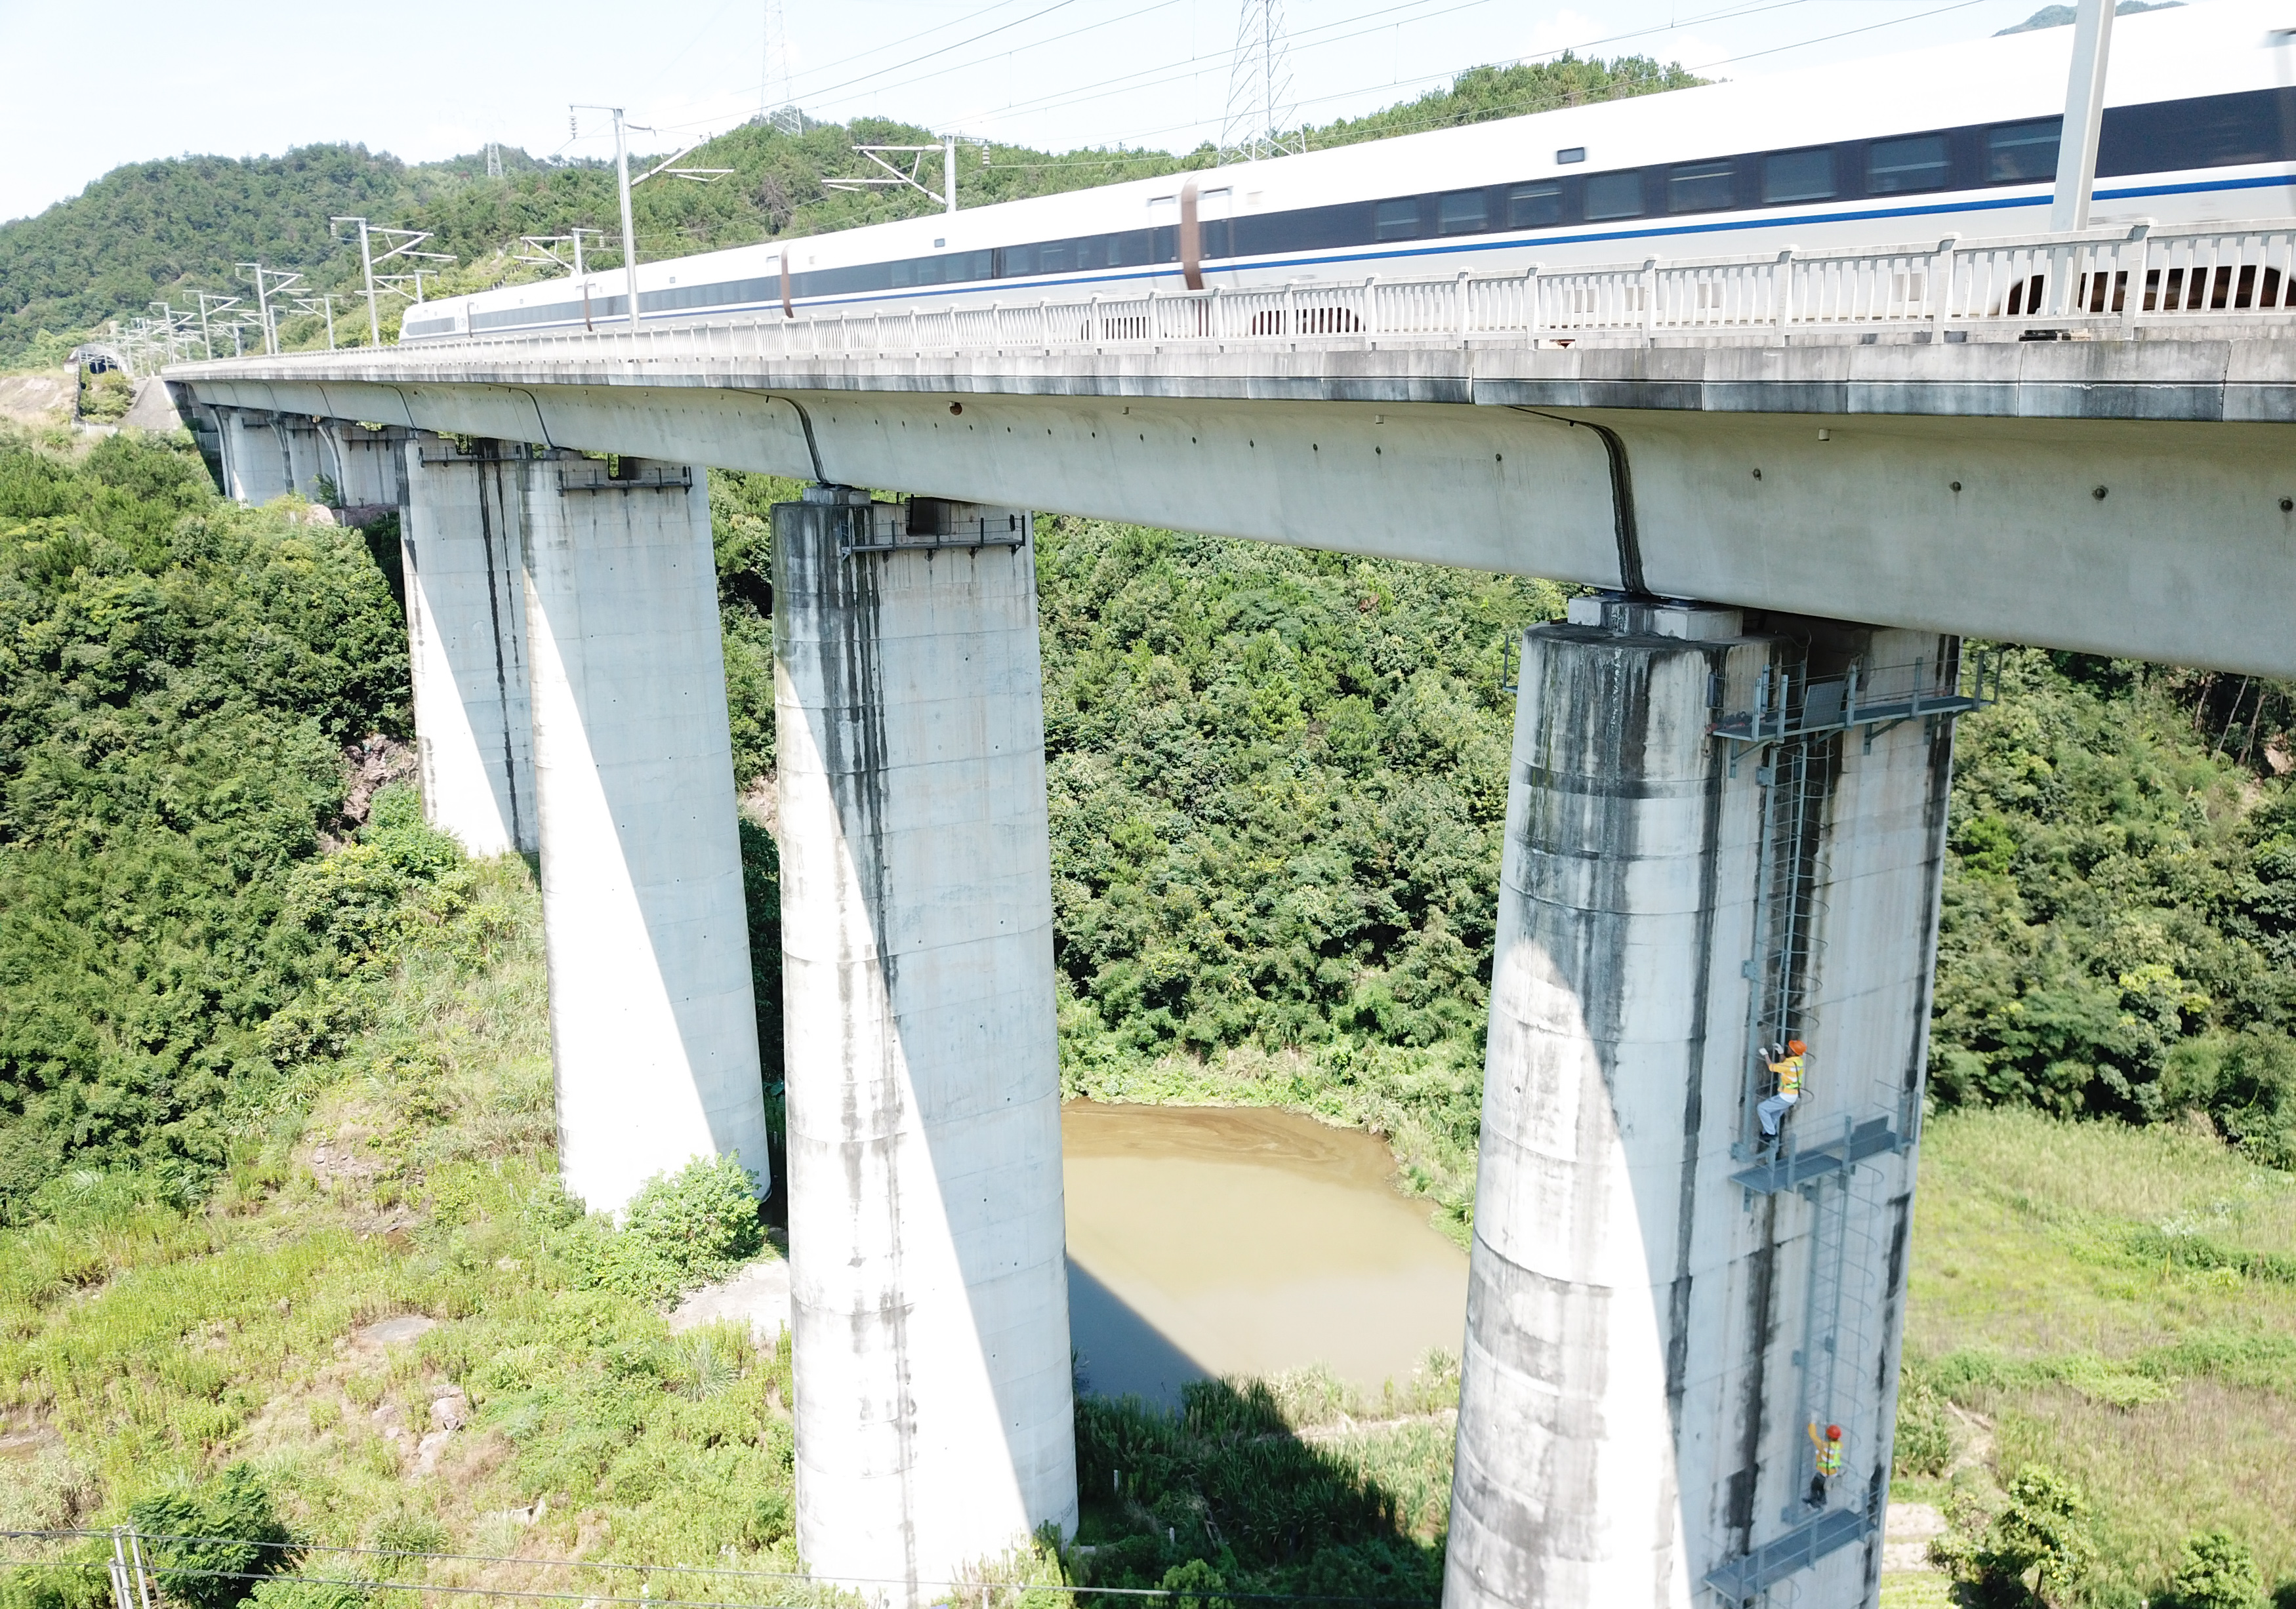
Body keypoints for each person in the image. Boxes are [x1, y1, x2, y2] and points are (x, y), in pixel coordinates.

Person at [1757, 1038, 1807, 1152]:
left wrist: (1766, 1055)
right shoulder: (1798, 1061)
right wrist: (1780, 1053)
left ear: (1794, 1053)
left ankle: (1771, 1134)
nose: (1788, 1049)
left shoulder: (1790, 1064)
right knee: (1774, 1115)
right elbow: (1786, 1063)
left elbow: (1772, 1067)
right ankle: (1766, 1134)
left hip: (1786, 1097)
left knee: (1762, 1108)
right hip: (1792, 1096)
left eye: (1790, 1049)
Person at [1807, 1421, 1844, 1507]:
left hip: (1825, 1473)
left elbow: (1813, 1436)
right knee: (1823, 1488)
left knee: (1815, 1485)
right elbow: (1833, 1437)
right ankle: (1823, 1500)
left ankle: (1814, 1504)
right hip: (1833, 1473)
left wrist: (1812, 1422)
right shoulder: (1839, 1445)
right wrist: (1827, 1427)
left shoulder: (1824, 1447)